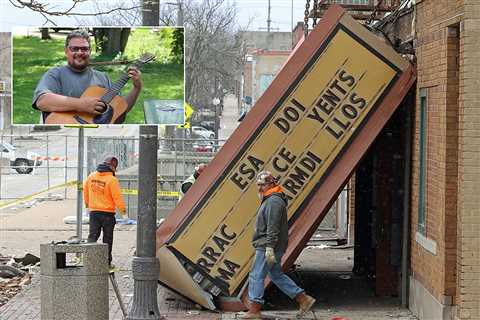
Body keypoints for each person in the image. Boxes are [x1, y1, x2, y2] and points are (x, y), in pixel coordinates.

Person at [242, 171, 316, 319]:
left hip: (267, 245)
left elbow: (273, 227)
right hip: (272, 245)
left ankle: (255, 310)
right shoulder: (272, 199)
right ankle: (303, 299)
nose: (259, 188)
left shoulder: (273, 201)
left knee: (256, 275)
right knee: (275, 274)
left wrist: (269, 247)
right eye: (258, 185)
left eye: (262, 185)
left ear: (271, 184)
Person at [32, 29, 142, 123]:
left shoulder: (102, 77)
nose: (80, 52)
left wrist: (137, 88)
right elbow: (42, 101)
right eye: (74, 49)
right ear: (66, 51)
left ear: (90, 51)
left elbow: (120, 109)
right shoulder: (55, 74)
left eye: (84, 49)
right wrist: (81, 104)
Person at [83, 156, 126, 269]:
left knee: (92, 236)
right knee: (107, 239)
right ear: (112, 167)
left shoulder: (91, 176)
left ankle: (88, 261)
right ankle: (106, 264)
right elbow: (117, 197)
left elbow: (86, 191)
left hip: (94, 213)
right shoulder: (112, 180)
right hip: (107, 214)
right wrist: (123, 212)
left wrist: (88, 205)